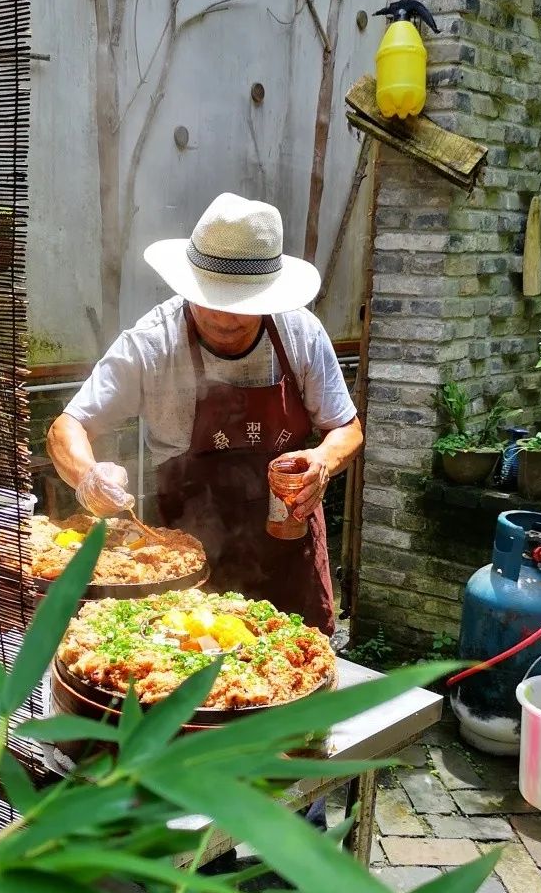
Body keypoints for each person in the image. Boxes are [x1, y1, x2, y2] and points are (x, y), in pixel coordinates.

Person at [47, 192, 363, 635]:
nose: (224, 317)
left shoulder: (301, 334)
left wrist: (323, 462)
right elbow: (67, 427)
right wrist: (88, 477)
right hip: (187, 551)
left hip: (287, 540)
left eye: (242, 305)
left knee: (297, 663)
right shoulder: (151, 343)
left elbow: (346, 428)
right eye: (210, 297)